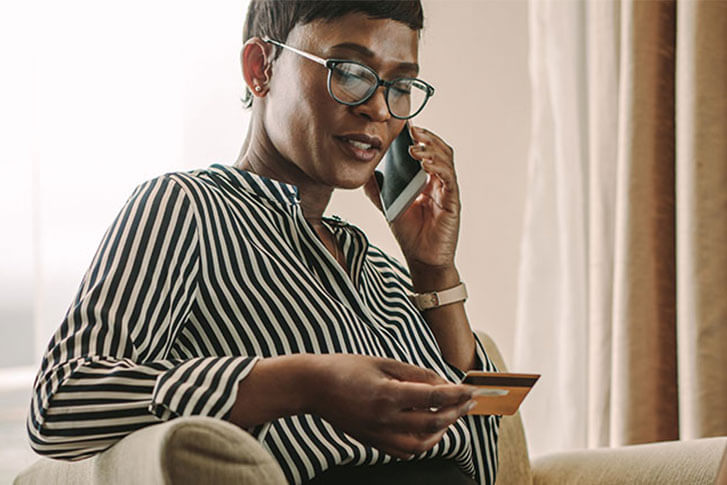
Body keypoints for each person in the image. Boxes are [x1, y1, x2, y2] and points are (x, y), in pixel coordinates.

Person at [26, 1, 500, 484]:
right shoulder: (188, 208)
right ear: (260, 68)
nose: (378, 108)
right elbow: (58, 403)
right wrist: (302, 383)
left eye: (400, 86)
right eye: (350, 71)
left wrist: (434, 271)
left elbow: (484, 464)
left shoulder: (381, 274)